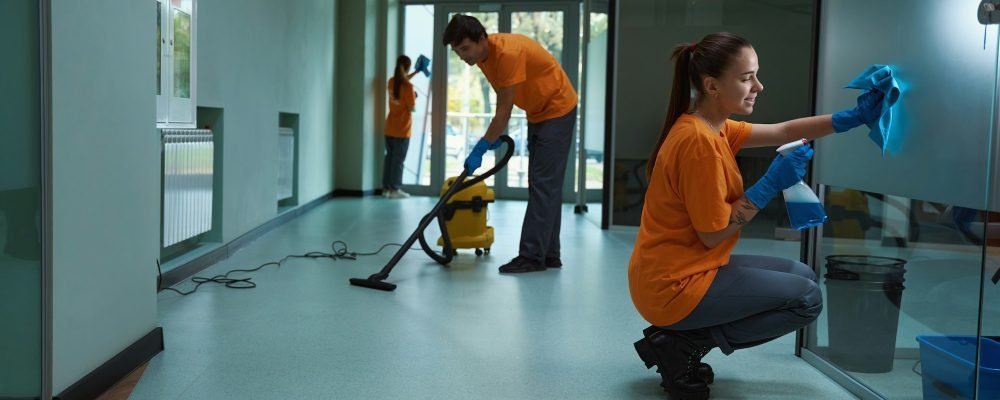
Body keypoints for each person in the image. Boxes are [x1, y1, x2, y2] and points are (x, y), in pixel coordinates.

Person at [628, 32, 884, 400]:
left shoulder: (712, 127)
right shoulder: (698, 143)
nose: (758, 86)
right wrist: (770, 183)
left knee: (803, 276)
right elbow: (713, 235)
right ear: (712, 85)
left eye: (756, 75)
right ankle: (681, 343)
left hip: (683, 268)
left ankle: (682, 339)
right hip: (674, 286)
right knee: (806, 299)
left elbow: (785, 130)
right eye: (747, 77)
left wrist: (853, 118)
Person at [442, 14, 578, 273]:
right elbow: (503, 100)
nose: (462, 56)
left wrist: (483, 145)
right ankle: (549, 254)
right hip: (538, 112)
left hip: (558, 109)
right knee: (543, 186)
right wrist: (492, 136)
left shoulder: (507, 53)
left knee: (542, 185)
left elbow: (504, 111)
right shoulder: (483, 58)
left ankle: (531, 256)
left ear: (482, 39)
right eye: (458, 51)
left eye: (465, 49)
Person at [383, 55, 421, 199]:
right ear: (407, 68)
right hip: (402, 130)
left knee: (389, 159)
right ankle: (395, 189)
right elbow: (412, 108)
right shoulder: (408, 87)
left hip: (389, 128)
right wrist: (414, 96)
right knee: (398, 161)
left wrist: (415, 73)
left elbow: (401, 82)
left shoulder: (392, 82)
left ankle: (386, 189)